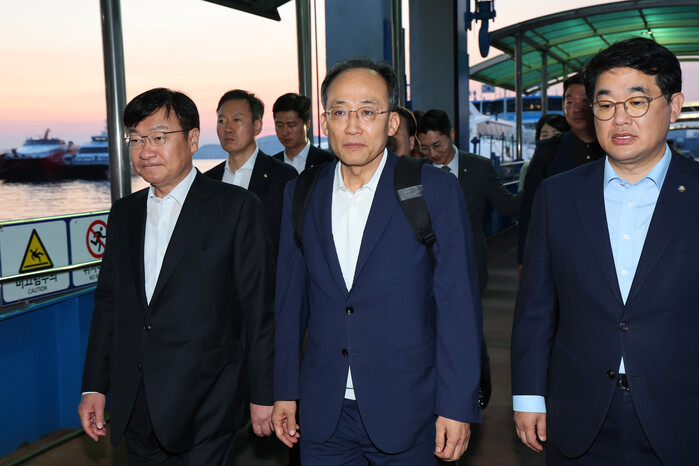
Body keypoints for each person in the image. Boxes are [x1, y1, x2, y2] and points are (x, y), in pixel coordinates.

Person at [271, 58, 482, 464]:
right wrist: (284, 390)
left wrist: (457, 405)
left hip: (409, 409)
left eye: (367, 112)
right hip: (323, 410)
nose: (353, 126)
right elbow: (289, 304)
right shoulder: (301, 193)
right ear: (324, 121)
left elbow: (458, 306)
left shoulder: (433, 189)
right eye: (340, 112)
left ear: (392, 123)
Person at [511, 37, 693, 464]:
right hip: (577, 408)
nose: (619, 118)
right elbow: (536, 305)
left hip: (681, 410)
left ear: (674, 106)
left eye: (637, 102)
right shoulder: (558, 196)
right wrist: (528, 395)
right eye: (606, 104)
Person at [78, 88, 276, 464]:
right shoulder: (124, 213)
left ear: (193, 139)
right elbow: (108, 305)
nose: (145, 151)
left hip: (207, 399)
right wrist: (94, 386)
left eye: (158, 137)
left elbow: (260, 311)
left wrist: (264, 393)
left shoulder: (236, 208)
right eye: (136, 139)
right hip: (136, 401)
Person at [416, 109, 521, 409]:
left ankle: (478, 383)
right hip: (425, 267)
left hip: (468, 266)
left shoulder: (478, 167)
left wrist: (541, 184)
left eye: (438, 145)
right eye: (425, 148)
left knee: (467, 327)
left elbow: (508, 206)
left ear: (451, 135)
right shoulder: (417, 171)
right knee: (429, 327)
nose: (433, 154)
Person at [517, 74, 605, 267]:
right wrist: (524, 259)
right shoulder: (548, 150)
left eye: (584, 100)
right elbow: (530, 208)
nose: (576, 108)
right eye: (569, 101)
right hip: (559, 257)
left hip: (607, 256)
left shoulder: (615, 149)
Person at [205, 89, 297, 249]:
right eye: (221, 121)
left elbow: (292, 240)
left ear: (257, 126)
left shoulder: (283, 176)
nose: (227, 128)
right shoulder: (208, 180)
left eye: (236, 120)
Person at [271, 92, 334, 172]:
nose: (285, 132)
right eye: (279, 125)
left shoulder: (328, 162)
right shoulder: (271, 165)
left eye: (291, 125)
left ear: (307, 124)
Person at [518, 114, 570, 191]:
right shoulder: (527, 169)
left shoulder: (576, 165)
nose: (550, 140)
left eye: (557, 135)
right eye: (545, 135)